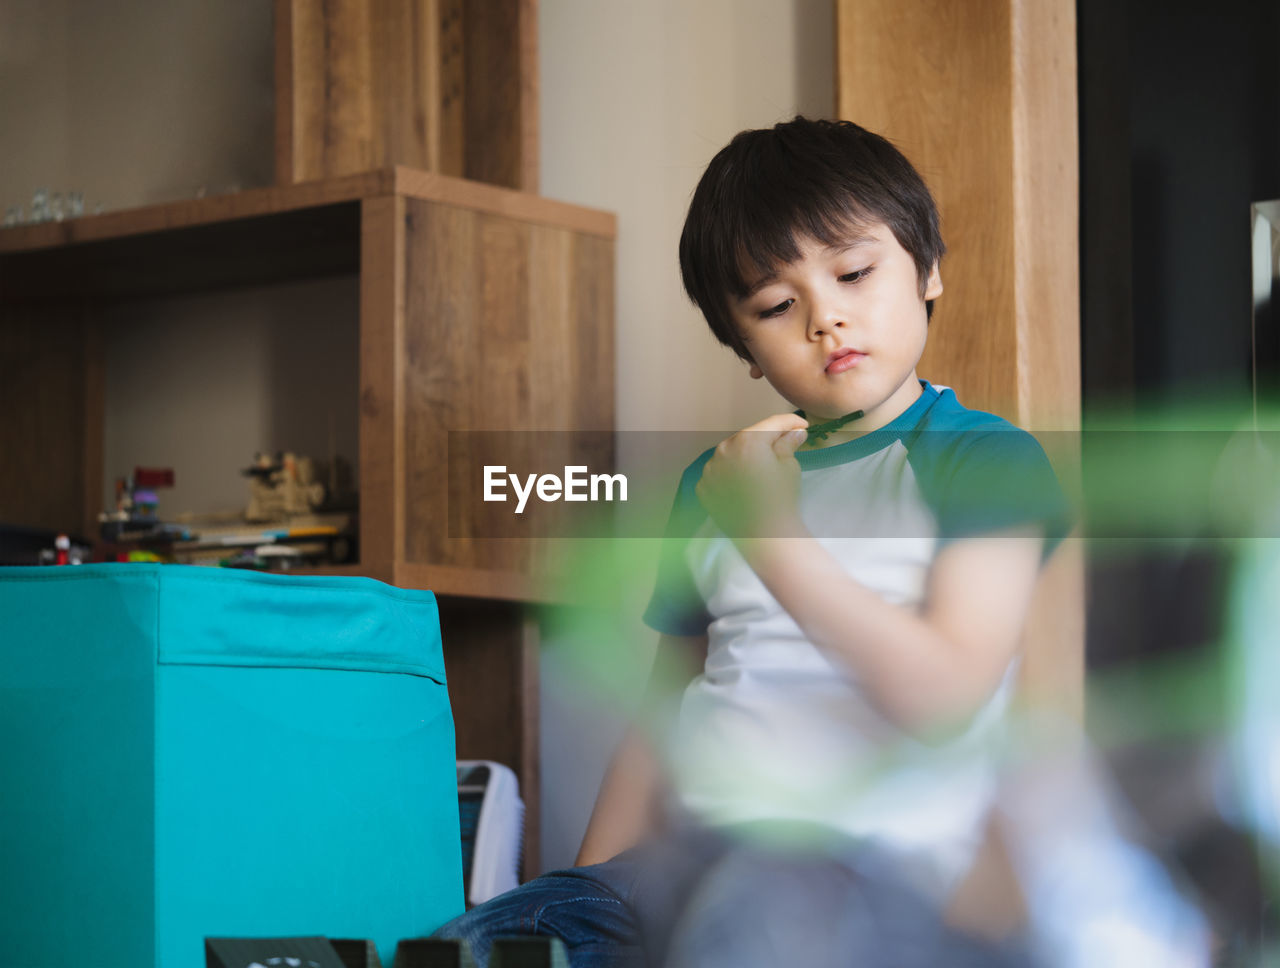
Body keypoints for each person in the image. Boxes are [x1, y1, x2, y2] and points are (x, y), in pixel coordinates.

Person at [433, 116, 1069, 968]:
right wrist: (588, 892)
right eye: (776, 305)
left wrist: (770, 532)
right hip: (674, 867)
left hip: (861, 871)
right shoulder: (718, 480)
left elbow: (945, 698)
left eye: (853, 273)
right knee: (463, 947)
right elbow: (665, 715)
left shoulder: (985, 460)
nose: (826, 320)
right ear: (743, 348)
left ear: (928, 271)